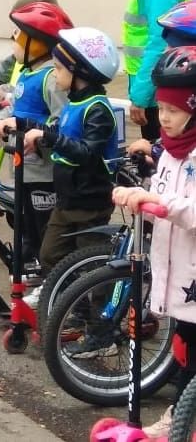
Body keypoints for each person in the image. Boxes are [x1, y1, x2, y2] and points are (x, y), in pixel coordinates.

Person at [112, 45, 196, 437]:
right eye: (161, 108)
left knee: (192, 356)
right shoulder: (172, 153)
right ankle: (181, 416)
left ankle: (180, 419)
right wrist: (143, 191)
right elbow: (163, 193)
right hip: (176, 271)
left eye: (173, 111)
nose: (163, 118)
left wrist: (160, 202)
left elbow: (188, 209)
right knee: (183, 351)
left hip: (192, 273)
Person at [18, 27, 120, 310]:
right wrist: (26, 129)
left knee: (92, 264)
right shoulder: (74, 103)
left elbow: (87, 152)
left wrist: (48, 137)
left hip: (89, 202)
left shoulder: (97, 109)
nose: (55, 73)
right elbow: (57, 130)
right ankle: (73, 308)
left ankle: (101, 325)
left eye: (60, 68)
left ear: (79, 73)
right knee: (50, 255)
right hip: (67, 199)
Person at [0, 1, 74, 261]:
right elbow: (13, 112)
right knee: (26, 227)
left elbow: (63, 125)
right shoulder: (27, 74)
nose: (13, 41)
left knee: (44, 230)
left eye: (18, 36)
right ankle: (31, 267)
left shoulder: (51, 80)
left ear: (36, 43)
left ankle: (47, 277)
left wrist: (38, 138)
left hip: (43, 173)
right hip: (23, 168)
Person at [120, 0, 191, 140]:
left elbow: (160, 41)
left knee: (158, 160)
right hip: (154, 85)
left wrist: (140, 96)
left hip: (157, 90)